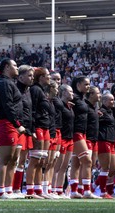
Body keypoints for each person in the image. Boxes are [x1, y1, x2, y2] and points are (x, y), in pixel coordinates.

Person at [0, 58, 25, 199]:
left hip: (9, 123)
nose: (17, 68)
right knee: (4, 158)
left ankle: (8, 190)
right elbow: (7, 105)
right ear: (6, 67)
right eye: (15, 66)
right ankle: (0, 192)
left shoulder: (7, 82)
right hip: (5, 123)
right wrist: (17, 124)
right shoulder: (4, 83)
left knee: (12, 159)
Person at [26, 67, 51, 198]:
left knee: (41, 161)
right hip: (39, 126)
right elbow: (32, 109)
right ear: (41, 77)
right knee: (35, 160)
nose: (49, 78)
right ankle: (30, 191)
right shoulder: (35, 89)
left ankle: (38, 190)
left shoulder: (42, 90)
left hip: (45, 126)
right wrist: (33, 128)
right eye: (47, 75)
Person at [71, 75, 96, 199]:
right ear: (78, 85)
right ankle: (87, 191)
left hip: (82, 132)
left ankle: (74, 191)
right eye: (86, 84)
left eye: (89, 84)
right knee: (87, 161)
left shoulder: (81, 98)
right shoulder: (74, 98)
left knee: (76, 163)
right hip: (76, 132)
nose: (88, 86)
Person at [12, 65, 35, 198]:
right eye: (29, 76)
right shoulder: (16, 90)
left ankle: (16, 189)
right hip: (18, 128)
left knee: (21, 162)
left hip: (27, 130)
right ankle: (9, 188)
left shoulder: (28, 91)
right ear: (20, 77)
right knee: (15, 160)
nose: (32, 78)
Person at [55, 84, 75, 197]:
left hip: (70, 138)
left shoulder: (69, 106)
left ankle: (59, 190)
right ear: (63, 93)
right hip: (62, 138)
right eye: (70, 91)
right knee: (58, 167)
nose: (72, 94)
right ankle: (54, 189)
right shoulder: (60, 105)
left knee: (64, 167)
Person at [97, 92, 115, 199]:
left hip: (111, 141)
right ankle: (103, 192)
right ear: (104, 101)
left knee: (113, 169)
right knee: (105, 168)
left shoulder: (110, 112)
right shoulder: (102, 112)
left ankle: (96, 185)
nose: (113, 102)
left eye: (113, 100)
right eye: (111, 100)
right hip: (103, 140)